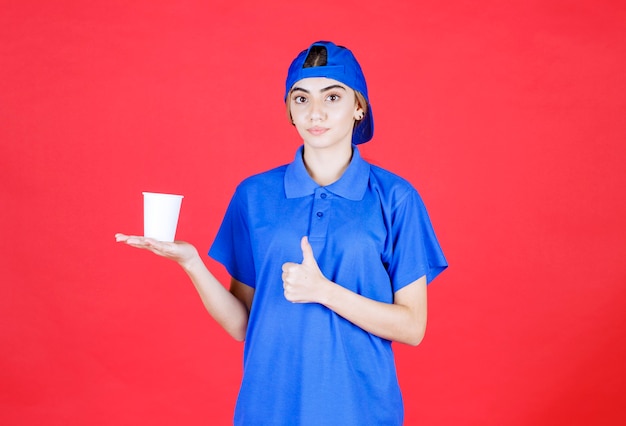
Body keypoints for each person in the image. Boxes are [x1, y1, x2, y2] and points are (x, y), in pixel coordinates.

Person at [116, 40, 447, 425]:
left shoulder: (395, 198)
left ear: (359, 107)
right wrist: (191, 263)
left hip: (359, 410)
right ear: (289, 109)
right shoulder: (254, 195)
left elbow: (412, 327)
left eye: (333, 96)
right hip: (268, 408)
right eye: (301, 99)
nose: (315, 112)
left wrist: (324, 292)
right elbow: (242, 324)